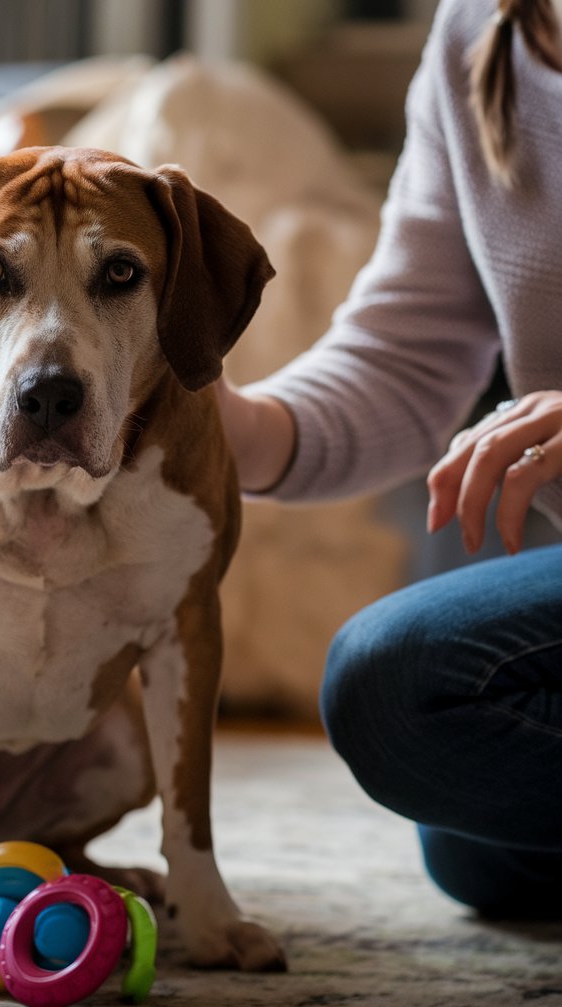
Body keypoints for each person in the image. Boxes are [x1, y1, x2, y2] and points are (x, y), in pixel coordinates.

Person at [218, 0, 562, 919]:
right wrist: (223, 428)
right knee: (476, 849)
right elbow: (404, 354)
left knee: (393, 678)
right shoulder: (477, 33)